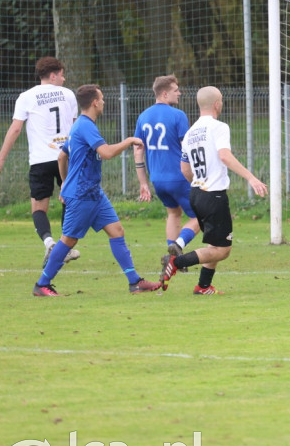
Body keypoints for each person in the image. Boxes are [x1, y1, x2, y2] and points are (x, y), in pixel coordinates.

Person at [33, 84, 160, 296]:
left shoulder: (80, 125)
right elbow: (106, 153)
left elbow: (62, 156)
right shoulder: (84, 126)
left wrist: (64, 182)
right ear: (94, 102)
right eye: (101, 99)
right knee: (69, 240)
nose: (103, 102)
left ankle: (134, 282)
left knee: (117, 230)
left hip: (93, 193)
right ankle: (42, 284)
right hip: (82, 194)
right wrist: (129, 140)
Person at [159, 86, 268, 295]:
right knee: (222, 250)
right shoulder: (219, 127)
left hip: (196, 193)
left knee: (213, 244)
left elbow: (184, 168)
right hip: (213, 195)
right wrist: (251, 178)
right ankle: (176, 262)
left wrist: (200, 181)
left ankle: (203, 286)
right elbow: (224, 156)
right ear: (217, 104)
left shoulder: (190, 133)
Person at [0, 56, 81, 264]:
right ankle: (63, 247)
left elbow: (15, 129)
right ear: (53, 75)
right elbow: (77, 129)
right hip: (66, 157)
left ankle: (49, 243)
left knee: (39, 207)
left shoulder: (26, 96)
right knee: (69, 201)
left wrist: (0, 160)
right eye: (61, 74)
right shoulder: (68, 95)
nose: (64, 78)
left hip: (40, 160)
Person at [133, 75, 200, 257]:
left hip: (157, 179)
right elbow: (186, 148)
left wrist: (143, 183)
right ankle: (179, 245)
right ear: (164, 93)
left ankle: (172, 258)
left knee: (173, 213)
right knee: (200, 217)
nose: (179, 93)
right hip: (178, 177)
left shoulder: (143, 116)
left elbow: (138, 151)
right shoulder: (178, 115)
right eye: (175, 90)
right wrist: (196, 174)